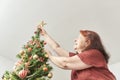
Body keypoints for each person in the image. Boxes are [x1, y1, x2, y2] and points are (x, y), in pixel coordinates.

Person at [38, 26, 116, 80]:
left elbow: (64, 63)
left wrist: (49, 55)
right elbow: (57, 48)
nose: (75, 40)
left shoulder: (94, 54)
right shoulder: (79, 59)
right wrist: (45, 35)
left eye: (78, 38)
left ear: (88, 42)